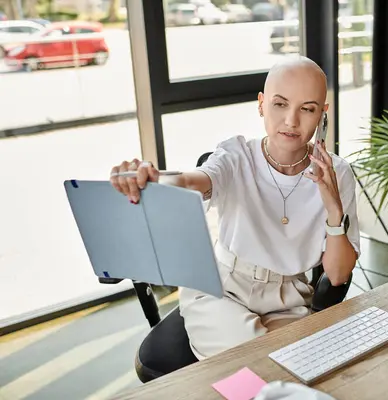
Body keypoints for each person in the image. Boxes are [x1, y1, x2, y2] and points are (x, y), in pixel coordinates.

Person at [109, 55, 361, 360]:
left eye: (307, 109)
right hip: (220, 290)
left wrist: (333, 207)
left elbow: (336, 275)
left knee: (292, 370)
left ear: (323, 113)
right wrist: (154, 176)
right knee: (255, 362)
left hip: (288, 300)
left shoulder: (338, 173)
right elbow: (195, 181)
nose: (291, 121)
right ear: (261, 104)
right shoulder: (236, 154)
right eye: (280, 104)